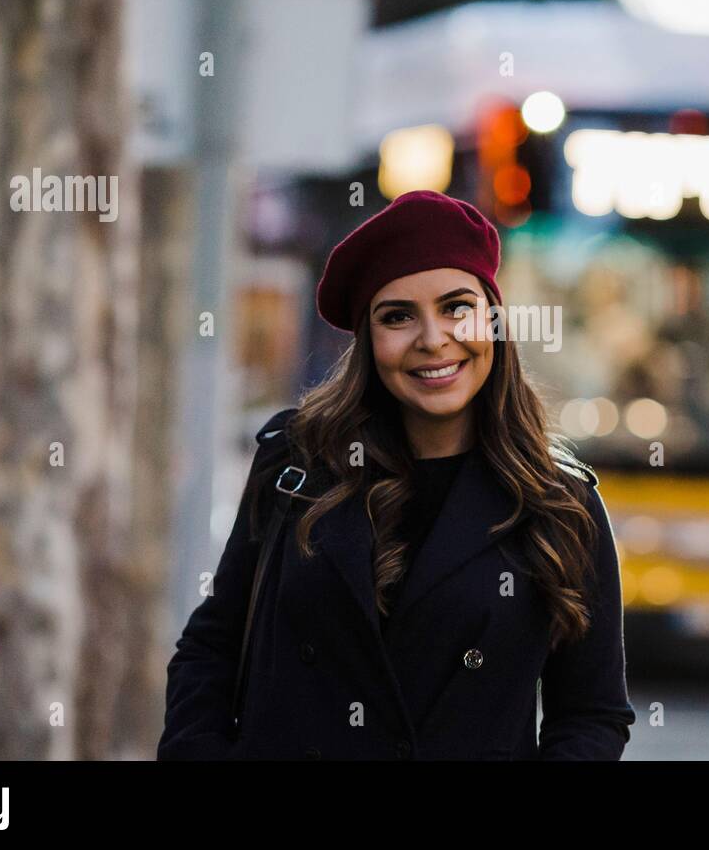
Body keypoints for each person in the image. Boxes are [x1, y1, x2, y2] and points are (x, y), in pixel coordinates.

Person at [158, 189, 637, 760]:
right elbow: (212, 645)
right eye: (398, 316)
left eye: (456, 306)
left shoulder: (560, 501)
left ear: (493, 320)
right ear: (367, 341)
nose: (433, 339)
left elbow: (591, 714)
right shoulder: (297, 465)